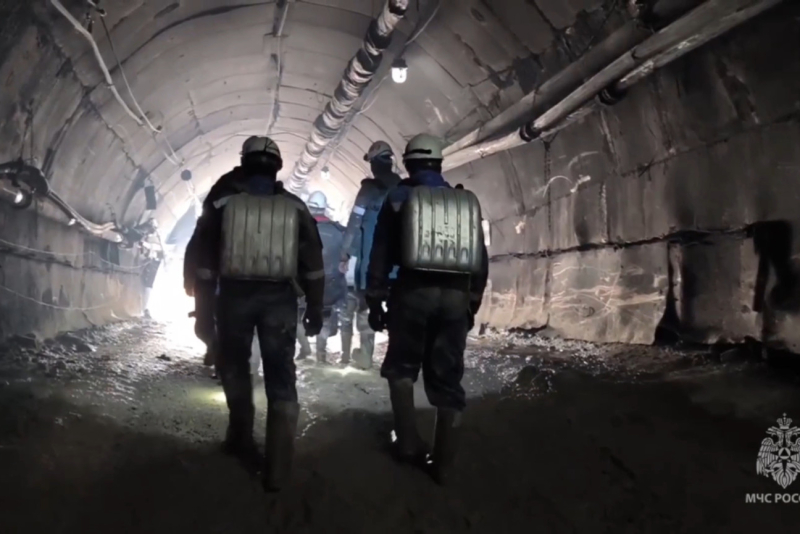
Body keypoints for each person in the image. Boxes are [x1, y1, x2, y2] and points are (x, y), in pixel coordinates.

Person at [187, 136, 325, 493]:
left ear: (243, 166)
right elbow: (313, 264)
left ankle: (240, 437)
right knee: (281, 375)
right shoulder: (295, 208)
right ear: (278, 168)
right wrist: (314, 307)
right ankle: (278, 468)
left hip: (233, 300)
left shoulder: (221, 204)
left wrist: (203, 312)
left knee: (234, 367)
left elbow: (204, 266)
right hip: (279, 301)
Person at [366, 133, 489, 486]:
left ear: (407, 163)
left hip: (412, 292)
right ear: (439, 163)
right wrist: (472, 303)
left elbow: (380, 252)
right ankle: (444, 464)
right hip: (455, 297)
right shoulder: (463, 201)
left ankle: (407, 443)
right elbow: (480, 260)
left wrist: (375, 299)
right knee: (448, 377)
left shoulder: (398, 197)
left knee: (402, 367)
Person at [339, 141, 401, 369]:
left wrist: (345, 254)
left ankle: (366, 356)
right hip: (399, 265)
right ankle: (396, 358)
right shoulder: (404, 188)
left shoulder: (368, 190)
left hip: (370, 263)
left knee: (366, 307)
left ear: (374, 163)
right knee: (399, 310)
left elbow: (354, 224)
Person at [295, 191, 347, 365]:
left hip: (303, 282)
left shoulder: (299, 228)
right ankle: (321, 355)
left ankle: (305, 348)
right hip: (329, 283)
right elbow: (344, 257)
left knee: (297, 316)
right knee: (324, 317)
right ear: (325, 208)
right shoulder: (338, 231)